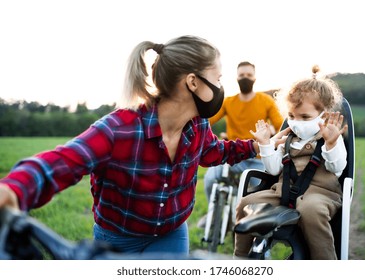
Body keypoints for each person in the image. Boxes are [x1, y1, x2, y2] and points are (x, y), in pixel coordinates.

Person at [0, 35, 261, 257]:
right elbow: (63, 161)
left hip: (172, 235)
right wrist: (12, 189)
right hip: (116, 240)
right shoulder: (118, 128)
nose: (220, 87)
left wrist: (255, 148)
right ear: (193, 82)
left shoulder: (199, 126)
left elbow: (215, 151)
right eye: (217, 78)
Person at [234, 65, 348, 259]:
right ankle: (240, 256)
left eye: (305, 117)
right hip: (282, 192)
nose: (296, 122)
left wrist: (331, 143)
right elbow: (272, 169)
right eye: (291, 116)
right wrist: (266, 145)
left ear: (324, 115)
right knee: (246, 203)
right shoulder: (288, 140)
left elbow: (336, 168)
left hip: (320, 195)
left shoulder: (331, 138)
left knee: (311, 211)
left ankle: (325, 262)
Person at [199, 61, 284, 227]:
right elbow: (207, 120)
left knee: (258, 196)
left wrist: (272, 136)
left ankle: (255, 225)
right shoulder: (229, 102)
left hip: (258, 158)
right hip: (234, 156)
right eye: (242, 75)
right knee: (210, 178)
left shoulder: (265, 101)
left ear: (255, 78)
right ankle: (213, 216)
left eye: (249, 75)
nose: (245, 78)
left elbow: (280, 124)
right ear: (236, 78)